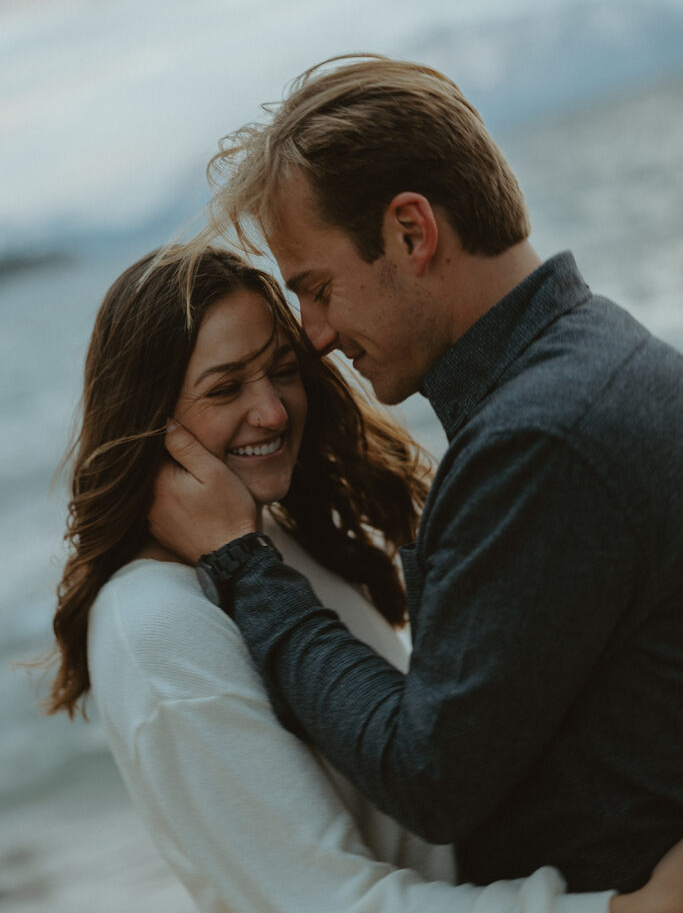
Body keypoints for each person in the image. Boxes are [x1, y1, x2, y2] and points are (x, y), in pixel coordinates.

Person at [149, 56, 683, 898]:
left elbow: (429, 777)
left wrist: (241, 562)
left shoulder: (540, 439)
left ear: (410, 232)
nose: (316, 335)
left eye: (318, 289)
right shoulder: (598, 356)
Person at [47, 244, 654, 913]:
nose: (273, 412)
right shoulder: (155, 626)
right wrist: (622, 909)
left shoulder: (268, 542)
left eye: (282, 371)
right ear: (147, 419)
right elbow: (330, 903)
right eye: (225, 388)